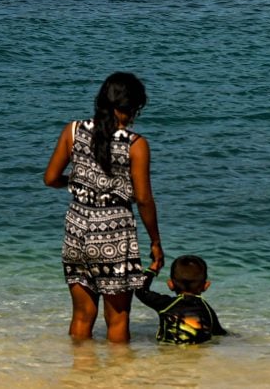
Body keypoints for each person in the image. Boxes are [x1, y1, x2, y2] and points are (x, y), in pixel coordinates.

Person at [44, 72, 165, 343]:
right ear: (133, 107)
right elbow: (144, 199)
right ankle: (118, 380)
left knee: (82, 316)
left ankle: (78, 375)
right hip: (113, 233)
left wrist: (83, 185)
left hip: (76, 229)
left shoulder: (73, 131)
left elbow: (50, 179)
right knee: (118, 319)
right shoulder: (135, 145)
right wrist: (156, 242)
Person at [136, 254, 227, 344]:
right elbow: (220, 333)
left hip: (167, 356)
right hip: (198, 357)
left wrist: (152, 269)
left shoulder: (166, 305)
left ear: (170, 284)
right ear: (206, 286)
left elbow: (140, 290)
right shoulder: (207, 310)